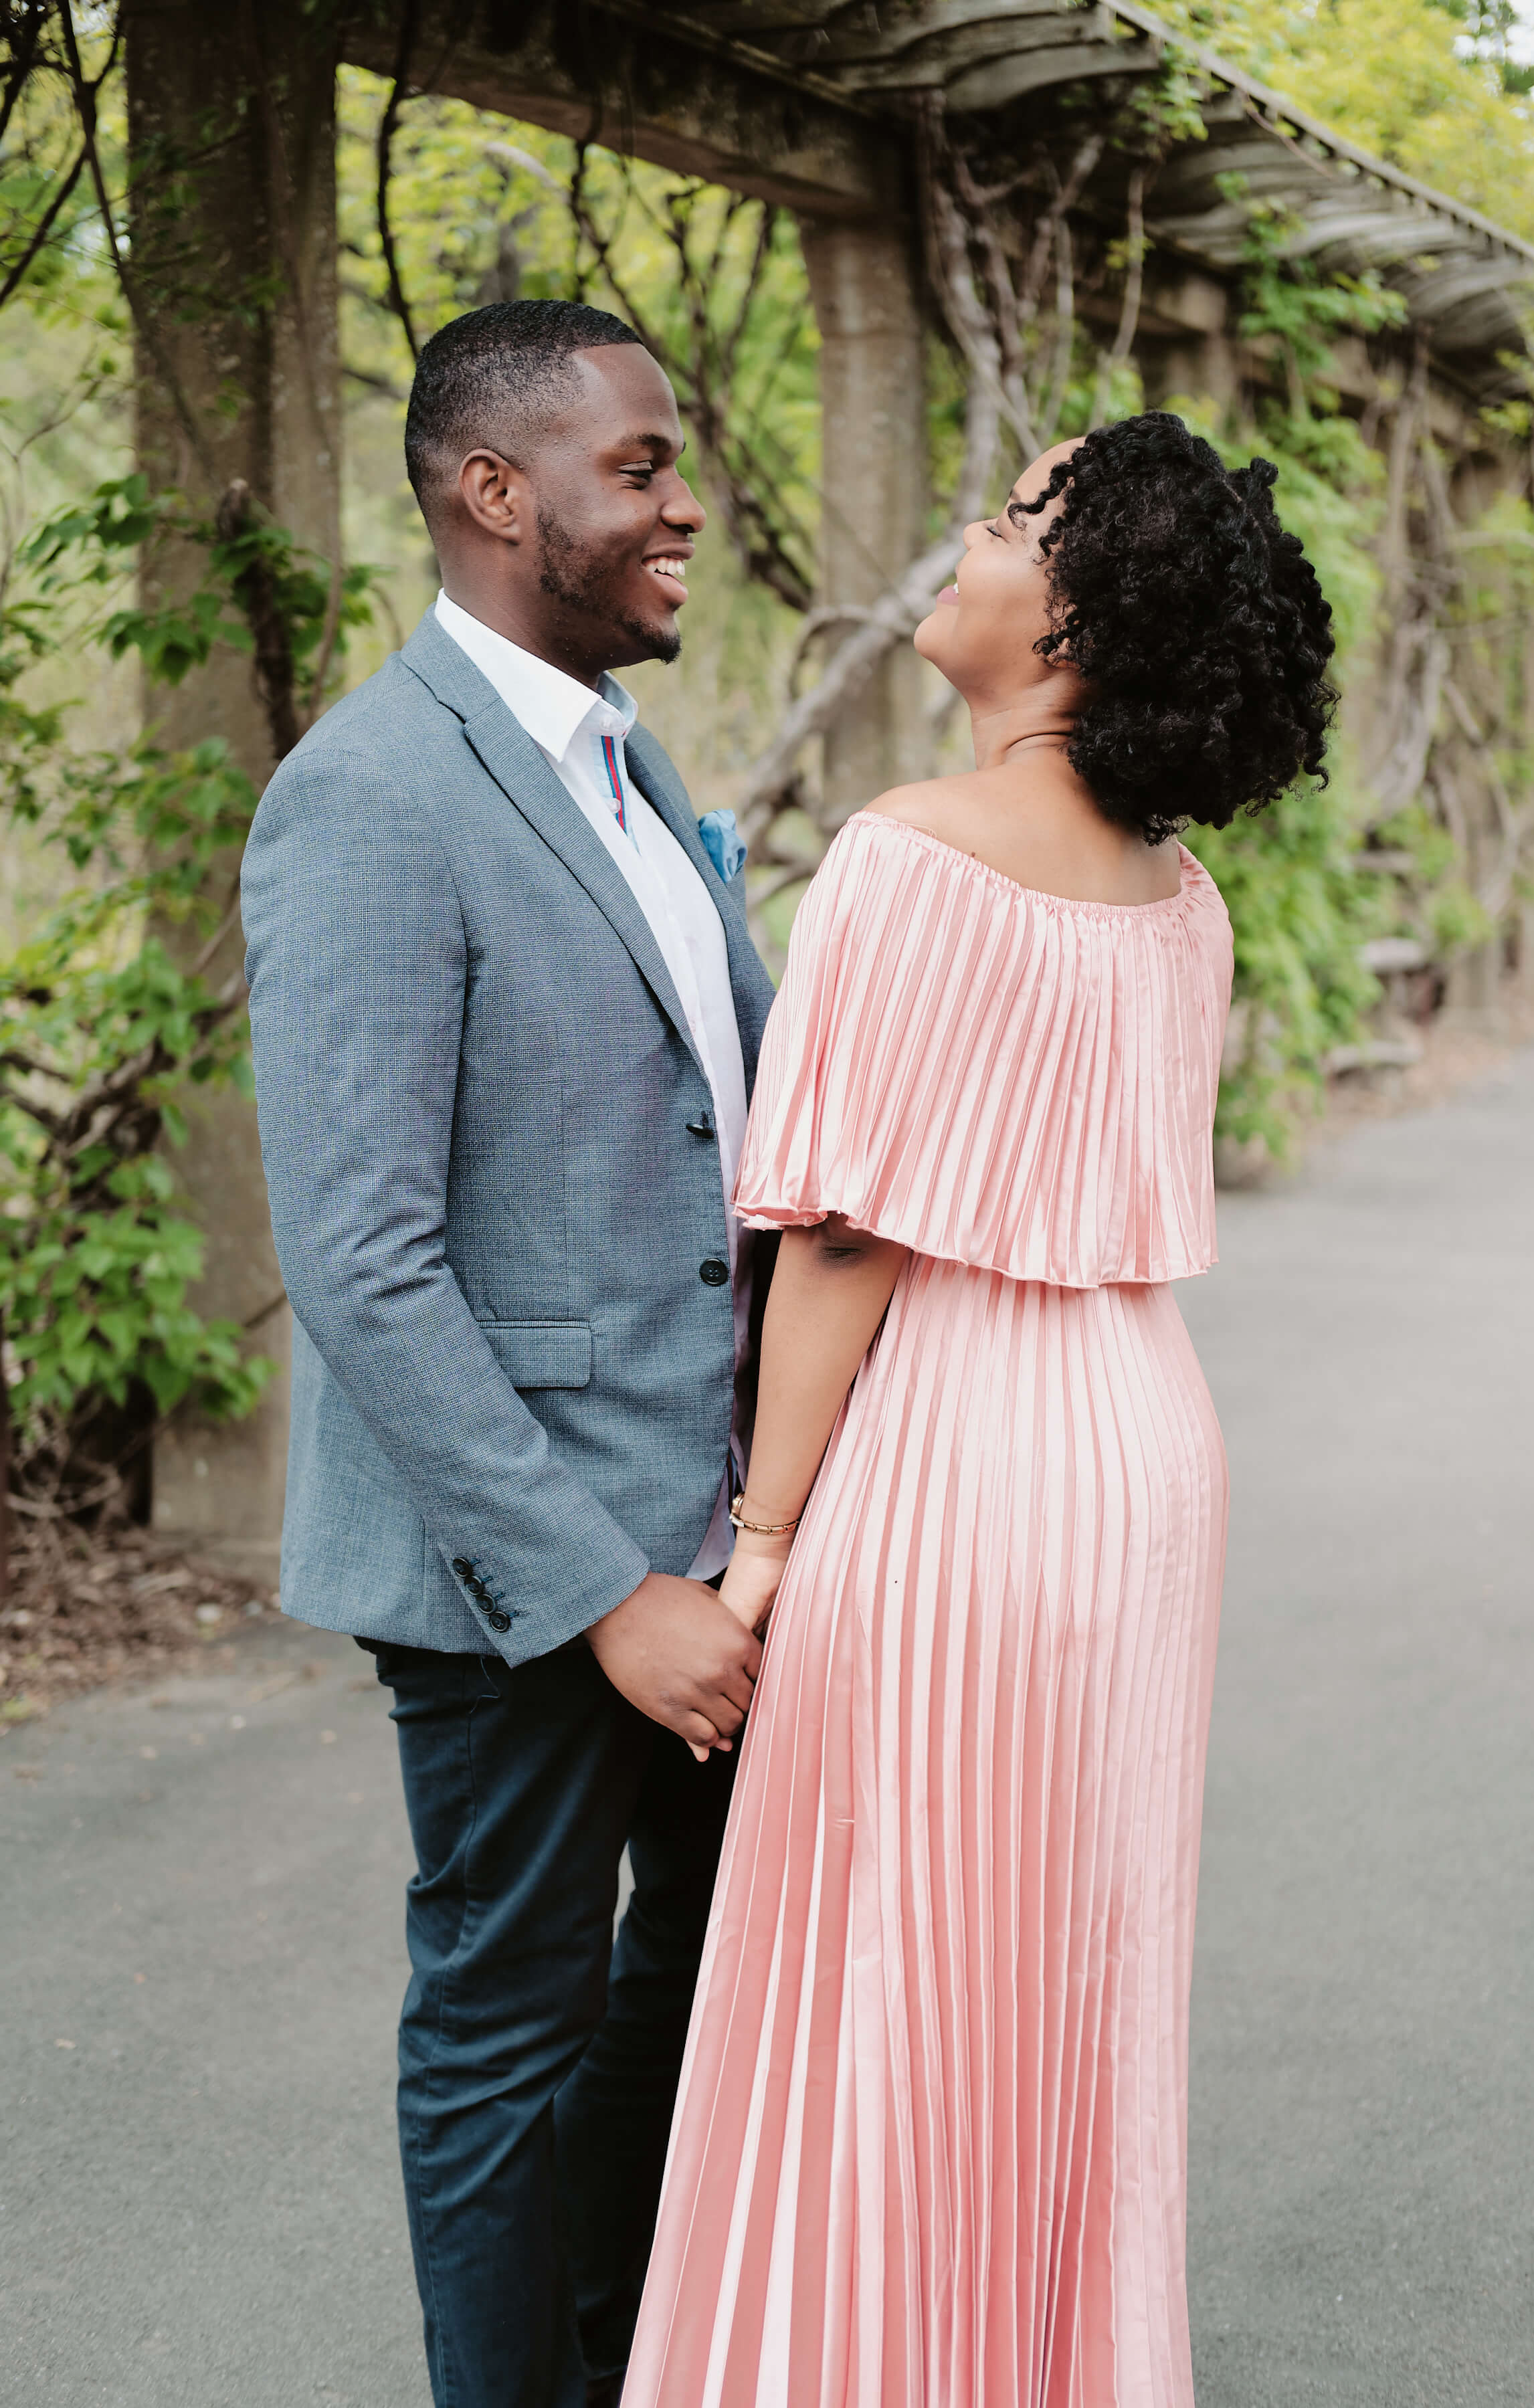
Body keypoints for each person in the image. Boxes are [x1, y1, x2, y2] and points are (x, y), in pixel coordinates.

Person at [621, 413, 1337, 2408]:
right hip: (1137, 1454)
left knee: (892, 1960)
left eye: (1019, 517)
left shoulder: (909, 853)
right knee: (1071, 1970)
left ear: (1084, 613)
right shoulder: (1176, 899)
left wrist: (758, 1548)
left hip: (961, 1465)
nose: (970, 529)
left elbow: (844, 1244)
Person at [240, 300, 775, 2408]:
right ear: (494, 493)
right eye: (638, 467)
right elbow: (360, 1260)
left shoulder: (633, 768)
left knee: (698, 1990)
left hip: (719, 1545)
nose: (683, 500)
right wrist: (604, 1596)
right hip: (528, 1584)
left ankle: (621, 2360)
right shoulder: (369, 795)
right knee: (503, 2031)